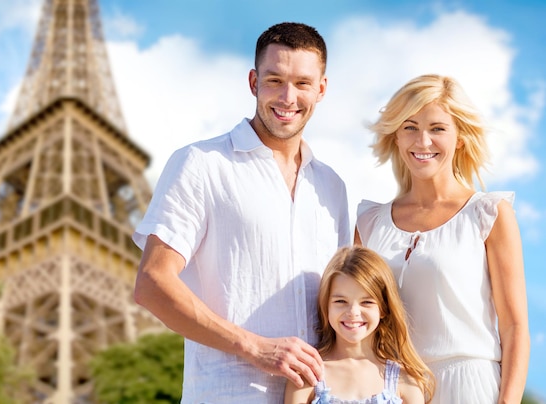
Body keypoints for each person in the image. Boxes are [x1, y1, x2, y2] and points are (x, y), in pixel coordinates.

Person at [132, 22, 350, 403]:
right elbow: (152, 282)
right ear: (253, 82)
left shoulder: (332, 187)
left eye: (302, 83)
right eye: (274, 80)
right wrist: (255, 347)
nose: (287, 97)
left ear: (322, 89)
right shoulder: (201, 164)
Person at [355, 74, 530, 403]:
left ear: (460, 137)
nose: (422, 142)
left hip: (469, 387)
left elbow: (515, 328)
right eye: (409, 127)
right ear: (395, 136)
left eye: (437, 128)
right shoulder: (368, 223)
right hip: (390, 388)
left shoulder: (489, 214)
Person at [284, 246, 435, 404]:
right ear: (326, 305)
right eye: (341, 301)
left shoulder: (405, 381)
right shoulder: (307, 375)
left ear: (383, 308)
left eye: (367, 302)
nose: (353, 312)